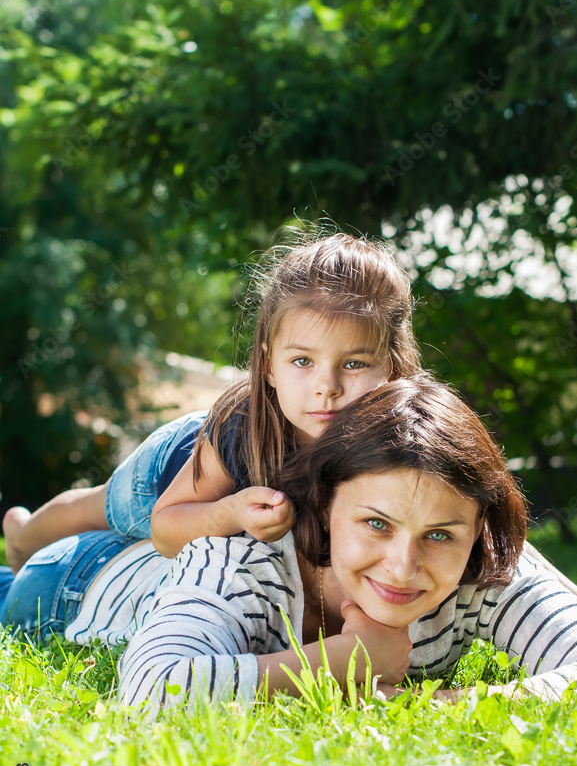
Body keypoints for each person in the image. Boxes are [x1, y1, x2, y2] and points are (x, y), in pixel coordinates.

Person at [0, 378, 577, 717]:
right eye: (375, 524)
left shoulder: (472, 562)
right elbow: (150, 690)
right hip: (79, 584)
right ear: (323, 502)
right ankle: (23, 532)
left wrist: (445, 705)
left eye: (438, 536)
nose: (404, 567)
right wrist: (341, 663)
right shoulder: (241, 550)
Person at [2, 231, 420, 572]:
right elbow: (165, 531)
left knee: (108, 545)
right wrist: (230, 514)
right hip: (171, 472)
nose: (326, 386)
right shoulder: (242, 427)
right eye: (302, 361)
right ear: (268, 365)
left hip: (210, 475)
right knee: (99, 509)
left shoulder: (404, 433)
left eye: (354, 364)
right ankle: (23, 537)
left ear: (393, 366)